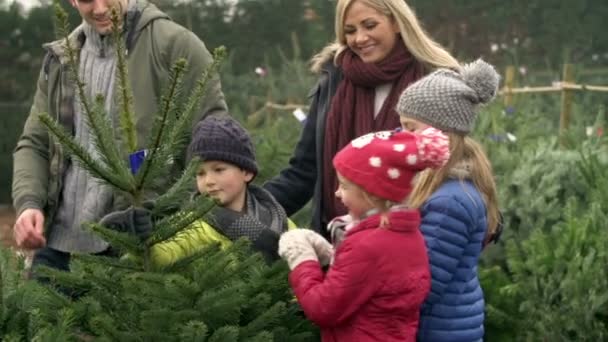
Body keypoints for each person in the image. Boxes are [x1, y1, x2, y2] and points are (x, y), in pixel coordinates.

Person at [12, 0, 227, 272]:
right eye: (88, 0)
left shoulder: (175, 46)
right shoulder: (60, 59)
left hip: (140, 249)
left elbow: (212, 140)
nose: (100, 9)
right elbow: (36, 143)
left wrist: (173, 216)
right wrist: (29, 203)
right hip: (56, 250)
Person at [264, 0, 460, 235]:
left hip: (413, 244)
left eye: (370, 25)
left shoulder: (435, 81)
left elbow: (456, 165)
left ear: (397, 23)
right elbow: (304, 172)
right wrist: (245, 209)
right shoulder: (333, 82)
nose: (360, 38)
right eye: (350, 31)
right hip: (338, 244)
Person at [277, 128, 451, 341]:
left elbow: (322, 308)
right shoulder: (407, 234)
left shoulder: (367, 245)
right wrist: (330, 255)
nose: (337, 193)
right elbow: (364, 282)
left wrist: (302, 259)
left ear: (373, 193)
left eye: (345, 186)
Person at [396, 59, 502, 341]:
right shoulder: (442, 189)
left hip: (439, 332)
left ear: (442, 132)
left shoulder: (450, 202)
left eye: (411, 127)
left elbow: (425, 284)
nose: (402, 137)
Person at [101, 116, 295, 266]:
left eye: (219, 170)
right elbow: (165, 255)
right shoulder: (191, 223)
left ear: (247, 172)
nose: (209, 181)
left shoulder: (277, 218)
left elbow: (303, 267)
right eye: (200, 173)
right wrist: (140, 242)